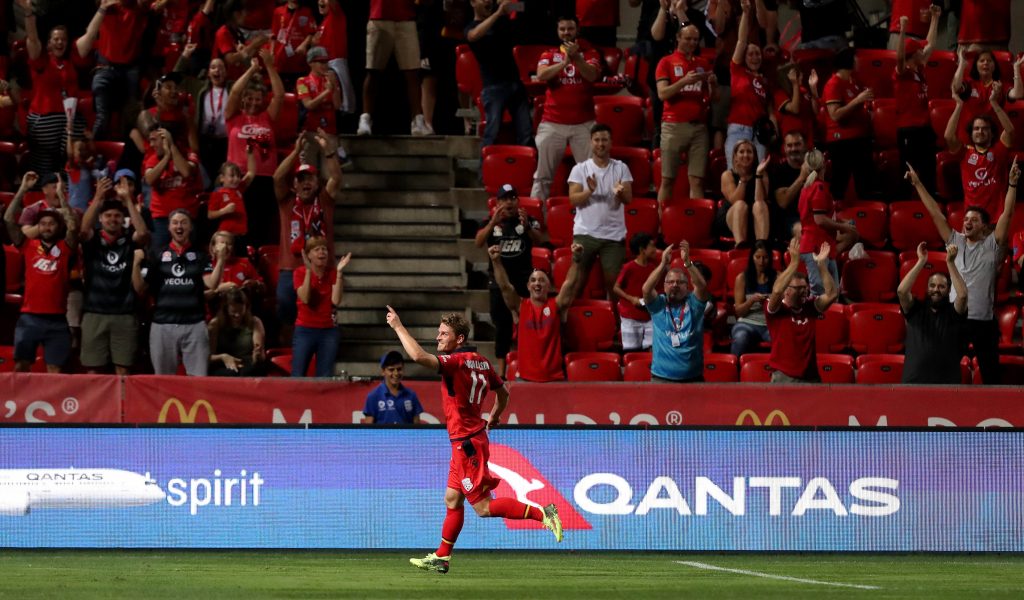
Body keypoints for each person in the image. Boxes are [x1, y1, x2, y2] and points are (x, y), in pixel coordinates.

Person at [385, 307, 563, 575]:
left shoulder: (454, 362)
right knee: (452, 499)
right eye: (438, 332)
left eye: (444, 333)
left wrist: (398, 326)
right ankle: (442, 557)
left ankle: (544, 514)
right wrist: (494, 416)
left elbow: (418, 356)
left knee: (482, 507)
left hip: (466, 443)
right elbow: (504, 392)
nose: (438, 337)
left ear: (459, 339)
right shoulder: (481, 362)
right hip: (470, 438)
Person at [906, 159, 1019, 385]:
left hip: (983, 322)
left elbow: (1006, 214)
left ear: (985, 227)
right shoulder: (954, 240)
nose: (967, 222)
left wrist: (1012, 185)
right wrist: (918, 184)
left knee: (991, 375)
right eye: (966, 219)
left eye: (974, 220)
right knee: (942, 369)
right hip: (954, 319)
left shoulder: (992, 245)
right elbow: (935, 213)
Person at [134, 209, 225, 376]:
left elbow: (212, 283)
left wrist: (221, 259)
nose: (179, 226)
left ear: (190, 227)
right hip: (162, 325)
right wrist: (135, 264)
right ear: (169, 228)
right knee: (163, 379)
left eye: (184, 222)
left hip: (195, 325)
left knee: (199, 379)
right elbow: (140, 288)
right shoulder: (157, 254)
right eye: (175, 223)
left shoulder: (200, 255)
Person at [3, 172, 78, 373]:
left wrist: (62, 196)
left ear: (58, 227)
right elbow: (9, 220)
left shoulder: (66, 248)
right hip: (29, 318)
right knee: (21, 366)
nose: (46, 227)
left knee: (56, 371)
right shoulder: (28, 245)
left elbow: (73, 226)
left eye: (51, 223)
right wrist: (23, 189)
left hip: (57, 320)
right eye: (43, 223)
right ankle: (19, 404)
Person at [18, 0, 103, 174]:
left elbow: (90, 36)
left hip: (71, 121)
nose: (59, 42)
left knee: (74, 160)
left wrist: (102, 9)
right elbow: (32, 39)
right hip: (45, 119)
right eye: (55, 39)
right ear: (48, 43)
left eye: (63, 39)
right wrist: (28, 13)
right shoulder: (40, 60)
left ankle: (71, 190)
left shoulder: (72, 58)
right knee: (44, 170)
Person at [273, 132, 341, 346]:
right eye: (300, 179)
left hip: (322, 269)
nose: (305, 183)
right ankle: (287, 357)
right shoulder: (287, 202)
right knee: (286, 317)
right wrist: (295, 152)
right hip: (290, 268)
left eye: (309, 179)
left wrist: (329, 151)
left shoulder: (324, 200)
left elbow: (337, 178)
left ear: (316, 182)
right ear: (294, 185)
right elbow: (277, 177)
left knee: (323, 317)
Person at [78, 177, 149, 375]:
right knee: (93, 370)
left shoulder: (128, 240)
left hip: (124, 314)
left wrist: (128, 201)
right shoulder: (93, 241)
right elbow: (83, 230)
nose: (112, 219)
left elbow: (142, 234)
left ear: (123, 219)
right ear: (100, 219)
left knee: (123, 371)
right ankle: (95, 407)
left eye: (117, 216)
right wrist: (98, 197)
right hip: (94, 312)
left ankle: (123, 407)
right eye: (107, 215)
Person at [489, 243, 585, 382]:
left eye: (542, 280)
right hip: (525, 379)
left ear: (549, 286)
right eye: (533, 280)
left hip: (554, 379)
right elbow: (504, 286)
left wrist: (576, 260)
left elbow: (570, 283)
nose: (537, 283)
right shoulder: (520, 307)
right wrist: (496, 261)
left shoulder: (557, 305)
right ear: (528, 286)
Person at [530, 16, 602, 201]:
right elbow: (541, 75)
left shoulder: (591, 53)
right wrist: (564, 63)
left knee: (590, 176)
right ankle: (535, 219)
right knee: (542, 177)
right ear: (557, 31)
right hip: (552, 123)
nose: (566, 32)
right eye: (562, 29)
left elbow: (592, 75)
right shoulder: (548, 54)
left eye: (570, 28)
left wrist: (576, 58)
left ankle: (592, 220)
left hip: (583, 124)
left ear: (577, 30)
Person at [474, 184, 542, 373]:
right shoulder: (489, 222)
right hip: (498, 281)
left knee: (528, 323)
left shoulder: (527, 220)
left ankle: (528, 362)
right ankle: (502, 371)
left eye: (512, 198)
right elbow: (478, 242)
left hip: (524, 281)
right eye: (504, 199)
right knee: (502, 325)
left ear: (518, 201)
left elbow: (540, 240)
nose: (508, 203)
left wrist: (527, 226)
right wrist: (492, 222)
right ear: (497, 203)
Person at [225, 47, 285, 247]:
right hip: (239, 179)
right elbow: (234, 91)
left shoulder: (267, 117)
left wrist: (269, 65)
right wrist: (251, 70)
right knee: (242, 229)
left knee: (264, 228)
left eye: (258, 98)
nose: (253, 102)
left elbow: (279, 95)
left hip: (266, 179)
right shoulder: (233, 117)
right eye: (249, 97)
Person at [568, 123, 634, 299]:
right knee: (577, 282)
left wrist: (620, 193)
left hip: (613, 236)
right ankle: (568, 318)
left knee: (614, 287)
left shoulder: (621, 168)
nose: (601, 144)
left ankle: (615, 323)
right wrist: (590, 191)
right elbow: (573, 200)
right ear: (591, 142)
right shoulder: (580, 169)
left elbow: (628, 199)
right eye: (597, 140)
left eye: (604, 140)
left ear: (611, 142)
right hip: (585, 234)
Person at [655, 23, 716, 206]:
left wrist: (714, 84)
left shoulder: (703, 64)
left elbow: (713, 98)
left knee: (697, 181)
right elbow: (662, 94)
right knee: (667, 180)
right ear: (678, 38)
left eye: (696, 39)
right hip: (673, 126)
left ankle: (695, 224)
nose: (692, 42)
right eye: (688, 38)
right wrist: (683, 81)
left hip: (699, 127)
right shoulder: (666, 62)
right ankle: (660, 226)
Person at [766, 238, 837, 383]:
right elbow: (777, 290)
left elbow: (832, 294)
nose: (804, 292)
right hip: (784, 376)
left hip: (811, 376)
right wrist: (794, 263)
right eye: (799, 289)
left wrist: (822, 266)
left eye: (805, 288)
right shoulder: (777, 309)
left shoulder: (810, 307)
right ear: (787, 291)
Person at [464, 0, 532, 149]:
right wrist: (497, 14)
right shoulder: (471, 27)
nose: (488, 2)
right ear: (473, 3)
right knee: (492, 133)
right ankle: (484, 171)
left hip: (515, 84)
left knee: (526, 132)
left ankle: (525, 169)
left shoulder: (501, 23)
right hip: (493, 88)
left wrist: (509, 8)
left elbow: (522, 12)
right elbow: (473, 35)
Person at [898, 242, 968, 385]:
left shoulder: (953, 313)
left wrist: (950, 263)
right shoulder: (915, 309)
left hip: (947, 384)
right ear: (927, 288)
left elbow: (962, 296)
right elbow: (902, 291)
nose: (936, 289)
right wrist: (921, 261)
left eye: (942, 286)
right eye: (932, 285)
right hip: (914, 382)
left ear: (948, 290)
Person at [357, 0, 430, 136]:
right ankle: (365, 118)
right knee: (373, 70)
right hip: (379, 17)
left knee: (412, 71)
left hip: (406, 19)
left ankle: (417, 121)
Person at [642, 241, 710, 382]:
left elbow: (702, 286)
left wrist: (687, 263)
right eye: (670, 282)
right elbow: (646, 289)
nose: (675, 285)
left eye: (680, 282)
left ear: (687, 286)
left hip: (693, 379)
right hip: (661, 378)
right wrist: (662, 265)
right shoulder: (658, 305)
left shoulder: (694, 304)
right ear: (664, 286)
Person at [944, 87, 1015, 220]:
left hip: (997, 220)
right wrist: (959, 105)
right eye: (976, 128)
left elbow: (1010, 131)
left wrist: (994, 103)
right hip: (973, 221)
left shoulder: (999, 151)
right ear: (971, 133)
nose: (980, 131)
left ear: (992, 132)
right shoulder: (964, 153)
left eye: (985, 128)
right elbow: (948, 137)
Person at [894, 5, 941, 196]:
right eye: (920, 51)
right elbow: (898, 58)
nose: (925, 52)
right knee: (909, 172)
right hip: (909, 130)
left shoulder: (919, 68)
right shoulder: (901, 73)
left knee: (929, 171)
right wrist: (903, 30)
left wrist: (935, 18)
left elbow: (930, 43)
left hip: (924, 129)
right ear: (913, 56)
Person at [798, 149, 858, 296]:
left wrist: (843, 222)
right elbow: (819, 220)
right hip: (816, 248)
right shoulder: (818, 188)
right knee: (821, 293)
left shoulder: (808, 188)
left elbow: (823, 215)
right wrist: (844, 227)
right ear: (824, 165)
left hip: (821, 247)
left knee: (832, 293)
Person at [89, 0, 152, 139]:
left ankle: (127, 151)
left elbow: (152, 6)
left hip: (131, 67)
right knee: (102, 115)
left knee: (131, 114)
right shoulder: (108, 5)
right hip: (105, 66)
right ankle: (95, 149)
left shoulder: (139, 6)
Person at [822, 48, 876, 201]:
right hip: (842, 142)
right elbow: (835, 114)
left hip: (860, 139)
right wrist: (858, 100)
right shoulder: (834, 84)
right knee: (839, 184)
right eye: (855, 58)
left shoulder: (854, 82)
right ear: (848, 61)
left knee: (866, 185)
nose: (858, 61)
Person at [292, 237, 350, 378]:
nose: (321, 252)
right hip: (305, 330)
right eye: (317, 249)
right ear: (309, 255)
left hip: (328, 331)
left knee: (324, 377)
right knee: (297, 375)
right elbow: (305, 298)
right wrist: (308, 272)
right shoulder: (299, 272)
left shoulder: (333, 273)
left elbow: (336, 301)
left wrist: (340, 273)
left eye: (324, 249)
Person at [724, 0, 770, 170]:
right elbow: (742, 41)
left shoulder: (765, 80)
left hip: (759, 133)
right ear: (744, 58)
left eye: (758, 54)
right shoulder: (737, 70)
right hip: (738, 129)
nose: (755, 57)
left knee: (758, 174)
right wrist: (745, 13)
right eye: (750, 54)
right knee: (734, 173)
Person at [143, 127, 200, 252]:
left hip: (186, 217)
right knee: (159, 257)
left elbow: (185, 172)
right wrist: (166, 157)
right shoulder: (152, 158)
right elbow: (149, 179)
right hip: (161, 218)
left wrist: (171, 147)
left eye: (154, 140)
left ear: (166, 140)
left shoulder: (189, 154)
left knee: (189, 256)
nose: (151, 145)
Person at [950, 49, 1023, 137]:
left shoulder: (1000, 85)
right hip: (969, 136)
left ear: (994, 66)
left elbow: (1018, 94)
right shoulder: (969, 83)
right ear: (976, 65)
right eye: (982, 61)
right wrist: (962, 64)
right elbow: (956, 87)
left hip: (992, 137)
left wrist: (1016, 70)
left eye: (989, 61)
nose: (985, 63)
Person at [613, 232, 659, 352]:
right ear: (642, 249)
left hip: (649, 316)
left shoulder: (653, 268)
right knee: (632, 352)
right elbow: (616, 288)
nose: (655, 249)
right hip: (630, 317)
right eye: (652, 246)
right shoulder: (628, 267)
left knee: (652, 351)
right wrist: (631, 299)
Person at [719, 139, 770, 247]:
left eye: (749, 152)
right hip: (732, 216)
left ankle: (761, 248)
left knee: (759, 205)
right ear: (735, 156)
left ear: (755, 156)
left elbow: (760, 199)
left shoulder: (762, 173)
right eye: (741, 152)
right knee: (740, 205)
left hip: (755, 217)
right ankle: (740, 246)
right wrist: (743, 179)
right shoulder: (727, 175)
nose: (745, 155)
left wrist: (758, 174)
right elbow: (735, 200)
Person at [208, 286, 267, 377]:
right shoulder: (215, 324)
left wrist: (257, 355)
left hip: (247, 364)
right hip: (224, 364)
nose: (237, 315)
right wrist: (223, 357)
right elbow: (209, 357)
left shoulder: (254, 322)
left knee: (251, 371)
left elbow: (261, 354)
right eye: (233, 312)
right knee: (230, 373)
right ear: (226, 309)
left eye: (240, 311)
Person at [731, 239, 775, 356]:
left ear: (770, 258)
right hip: (747, 323)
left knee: (784, 340)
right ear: (752, 258)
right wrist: (751, 300)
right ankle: (735, 370)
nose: (761, 261)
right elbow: (739, 312)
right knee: (741, 338)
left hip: (770, 325)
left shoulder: (778, 277)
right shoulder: (742, 278)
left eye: (765, 257)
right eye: (758, 257)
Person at [314, 0, 356, 116]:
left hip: (336, 60)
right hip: (324, 63)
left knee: (344, 96)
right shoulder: (322, 24)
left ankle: (347, 115)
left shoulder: (336, 15)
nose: (321, 1)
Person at [768, 131, 809, 248]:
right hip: (789, 220)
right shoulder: (778, 171)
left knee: (850, 231)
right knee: (804, 232)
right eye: (789, 145)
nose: (793, 148)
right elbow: (783, 202)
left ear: (805, 146)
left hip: (814, 217)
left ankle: (828, 259)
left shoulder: (815, 168)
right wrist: (802, 177)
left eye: (797, 144)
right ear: (784, 149)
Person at [207, 151, 256, 247]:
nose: (236, 179)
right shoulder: (218, 194)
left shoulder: (239, 189)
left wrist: (250, 154)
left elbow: (251, 173)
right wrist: (224, 211)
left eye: (238, 176)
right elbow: (210, 214)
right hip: (226, 236)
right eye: (232, 176)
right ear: (222, 178)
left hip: (242, 234)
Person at [362, 350, 423, 424]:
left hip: (406, 435)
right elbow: (368, 429)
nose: (396, 373)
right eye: (391, 369)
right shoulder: (373, 396)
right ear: (383, 371)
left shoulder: (411, 395)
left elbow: (417, 426)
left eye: (399, 369)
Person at [270, 0, 318, 88]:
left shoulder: (306, 11)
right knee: (282, 89)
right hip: (281, 59)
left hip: (300, 61)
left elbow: (312, 32)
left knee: (301, 89)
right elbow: (274, 35)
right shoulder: (278, 11)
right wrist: (272, 52)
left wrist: (304, 45)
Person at [774, 63, 818, 150]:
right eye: (798, 73)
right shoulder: (780, 94)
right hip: (792, 145)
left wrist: (813, 90)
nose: (802, 75)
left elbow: (816, 112)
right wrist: (794, 84)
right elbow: (795, 109)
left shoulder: (803, 91)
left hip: (808, 141)